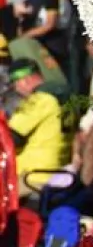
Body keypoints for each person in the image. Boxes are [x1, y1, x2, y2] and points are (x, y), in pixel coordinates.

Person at [6, 58, 69, 197]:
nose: (17, 89)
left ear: (25, 80)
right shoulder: (64, 97)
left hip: (33, 177)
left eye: (16, 84)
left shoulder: (39, 100)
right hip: (59, 171)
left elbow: (11, 137)